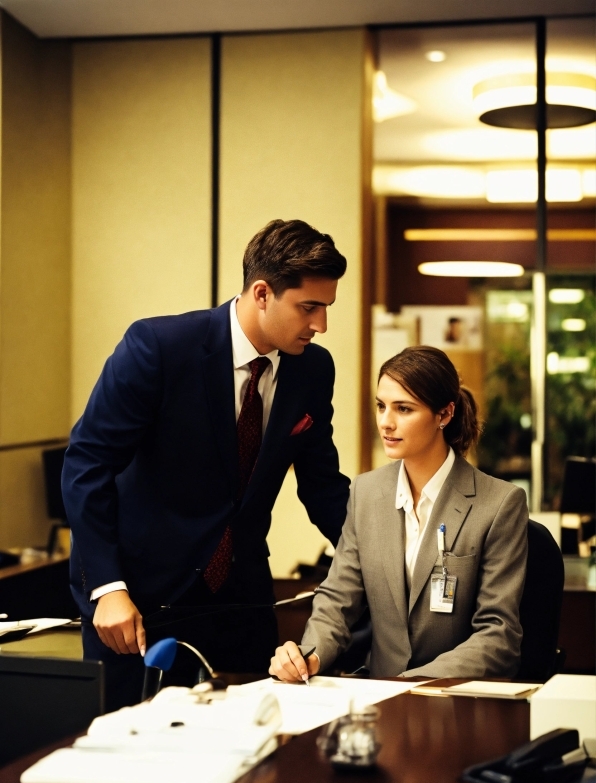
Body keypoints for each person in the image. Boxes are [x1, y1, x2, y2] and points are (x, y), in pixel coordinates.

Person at [62, 218, 351, 710]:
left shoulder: (312, 369)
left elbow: (322, 485)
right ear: (262, 293)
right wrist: (107, 587)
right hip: (138, 603)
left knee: (250, 760)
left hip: (243, 604)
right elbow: (86, 466)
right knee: (136, 762)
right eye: (310, 307)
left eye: (326, 307)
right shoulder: (157, 348)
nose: (321, 324)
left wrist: (388, 562)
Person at [269, 345, 528, 683]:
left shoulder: (500, 503)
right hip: (380, 699)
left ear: (444, 415)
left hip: (455, 698)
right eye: (381, 406)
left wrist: (409, 683)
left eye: (404, 409)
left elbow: (498, 635)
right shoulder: (366, 493)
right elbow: (338, 600)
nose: (386, 423)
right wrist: (308, 656)